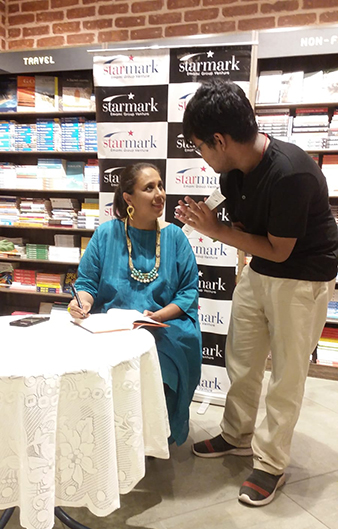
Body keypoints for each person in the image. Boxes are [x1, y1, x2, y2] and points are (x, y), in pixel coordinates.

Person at [175, 78, 338, 506]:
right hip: (259, 271)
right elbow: (234, 213)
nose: (201, 156)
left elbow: (280, 251)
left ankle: (270, 463)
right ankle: (236, 434)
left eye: (200, 147)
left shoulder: (292, 172)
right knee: (243, 358)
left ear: (219, 140)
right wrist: (203, 214)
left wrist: (217, 231)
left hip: (302, 277)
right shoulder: (233, 169)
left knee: (286, 375)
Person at [68, 162, 202, 446]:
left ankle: (152, 438)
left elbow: (188, 292)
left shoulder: (175, 237)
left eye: (161, 186)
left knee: (161, 360)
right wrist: (81, 303)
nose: (160, 194)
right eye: (149, 188)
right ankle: (105, 435)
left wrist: (157, 315)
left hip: (165, 324)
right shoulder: (106, 234)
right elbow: (87, 284)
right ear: (128, 198)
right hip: (112, 325)